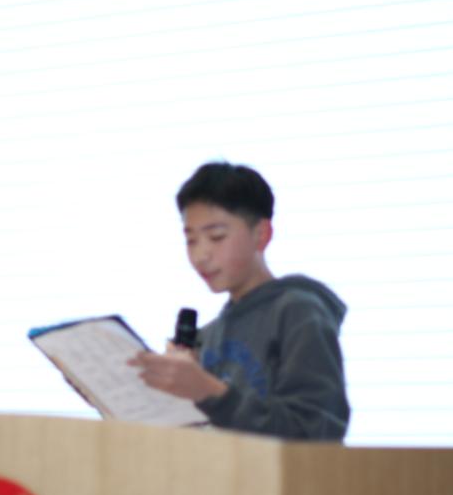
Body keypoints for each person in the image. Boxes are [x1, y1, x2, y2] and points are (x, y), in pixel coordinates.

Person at [128, 161, 350, 440]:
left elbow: (316, 430)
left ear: (261, 234)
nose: (200, 256)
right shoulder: (207, 337)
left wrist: (209, 391)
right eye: (191, 240)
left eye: (216, 237)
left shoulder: (298, 311)